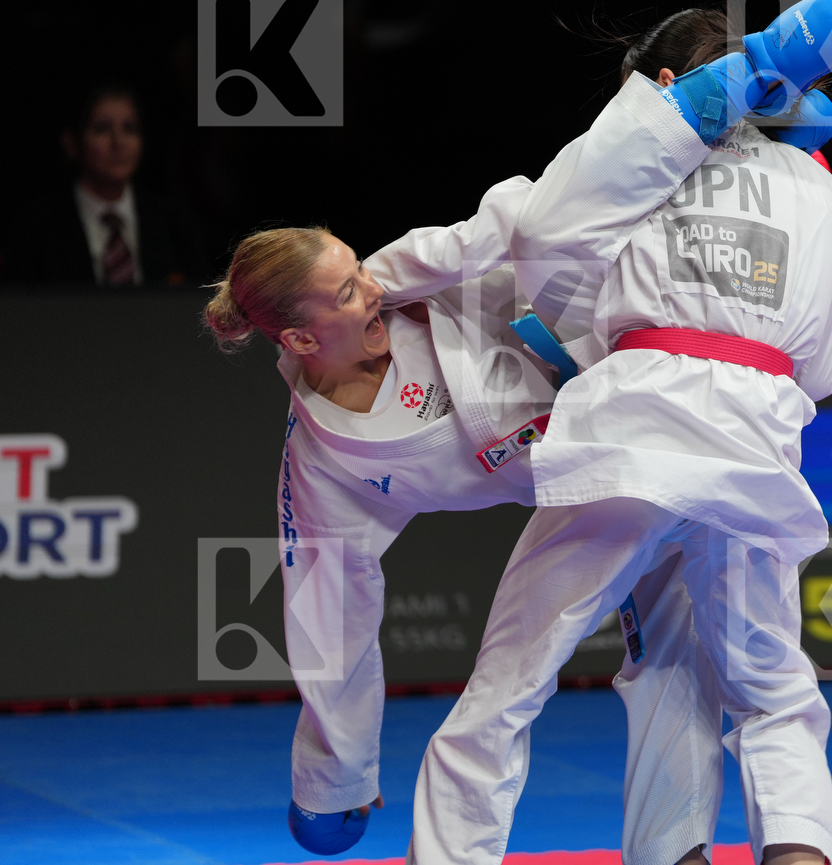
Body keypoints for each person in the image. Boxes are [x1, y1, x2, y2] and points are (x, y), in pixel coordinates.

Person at [397, 0, 832, 865]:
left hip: (637, 428)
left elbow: (542, 243)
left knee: (509, 685)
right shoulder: (816, 183)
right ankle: (790, 851)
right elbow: (830, 362)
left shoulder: (633, 156)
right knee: (773, 692)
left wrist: (608, 321)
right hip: (757, 446)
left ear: (653, 84)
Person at [202, 66, 716, 856]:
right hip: (605, 473)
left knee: (685, 658)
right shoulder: (328, 466)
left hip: (646, 341)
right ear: (301, 341)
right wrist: (335, 775)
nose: (367, 293)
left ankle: (704, 111)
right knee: (530, 685)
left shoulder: (404, 279)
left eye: (357, 271)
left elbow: (527, 215)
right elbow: (330, 618)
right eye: (342, 296)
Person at [1, 87, 207, 286]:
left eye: (130, 128)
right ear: (72, 143)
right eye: (101, 129)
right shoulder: (35, 228)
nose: (118, 142)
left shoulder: (174, 222)